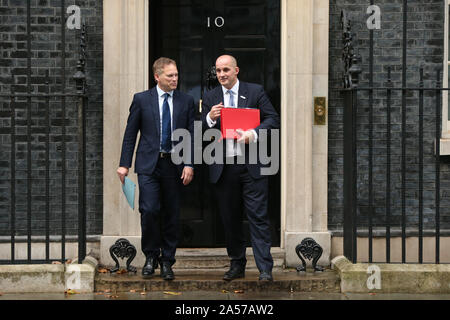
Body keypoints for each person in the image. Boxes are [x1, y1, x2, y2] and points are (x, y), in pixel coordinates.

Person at [201, 55, 280, 281]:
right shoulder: (211, 96)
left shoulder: (255, 92)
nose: (222, 74)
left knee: (258, 217)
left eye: (226, 69)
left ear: (237, 70)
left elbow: (273, 119)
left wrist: (253, 134)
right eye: (218, 71)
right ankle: (237, 265)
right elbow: (200, 130)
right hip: (224, 168)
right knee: (230, 219)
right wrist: (209, 118)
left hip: (251, 166)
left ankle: (265, 269)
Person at [117, 57, 195, 280]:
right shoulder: (142, 100)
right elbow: (130, 134)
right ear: (157, 76)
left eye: (176, 75)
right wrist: (124, 164)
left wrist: (190, 163)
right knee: (149, 210)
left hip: (175, 164)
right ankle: (151, 256)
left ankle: (167, 261)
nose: (174, 79)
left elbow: (192, 135)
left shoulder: (186, 101)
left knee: (171, 213)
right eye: (170, 75)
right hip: (149, 164)